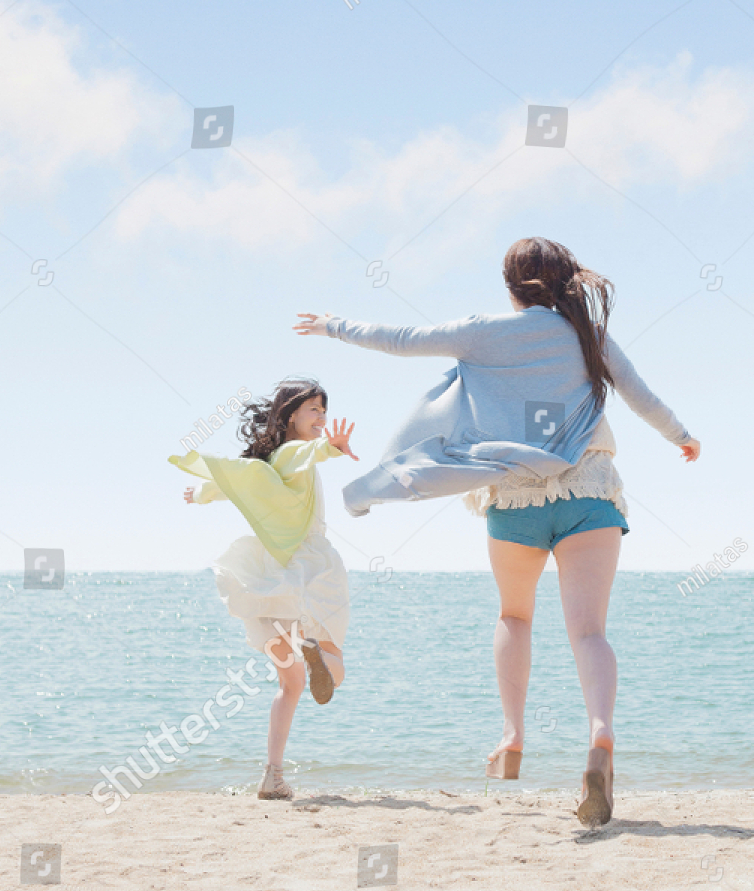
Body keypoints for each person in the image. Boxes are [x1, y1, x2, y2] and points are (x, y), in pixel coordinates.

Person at [295, 237, 698, 826]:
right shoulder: (588, 336)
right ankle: (601, 736)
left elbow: (398, 340)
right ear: (564, 283)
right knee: (589, 632)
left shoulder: (484, 331)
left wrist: (333, 325)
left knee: (515, 617)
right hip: (590, 490)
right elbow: (643, 398)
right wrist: (681, 436)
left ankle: (512, 739)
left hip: (514, 495)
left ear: (511, 288)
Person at [169, 378, 358, 801]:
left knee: (288, 685)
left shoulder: (264, 462)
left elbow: (231, 483)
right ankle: (318, 653)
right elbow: (308, 452)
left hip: (268, 579)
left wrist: (199, 494)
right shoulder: (294, 453)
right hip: (313, 571)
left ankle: (272, 775)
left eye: (324, 412)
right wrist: (333, 448)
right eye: (313, 410)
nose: (322, 419)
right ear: (291, 414)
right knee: (336, 665)